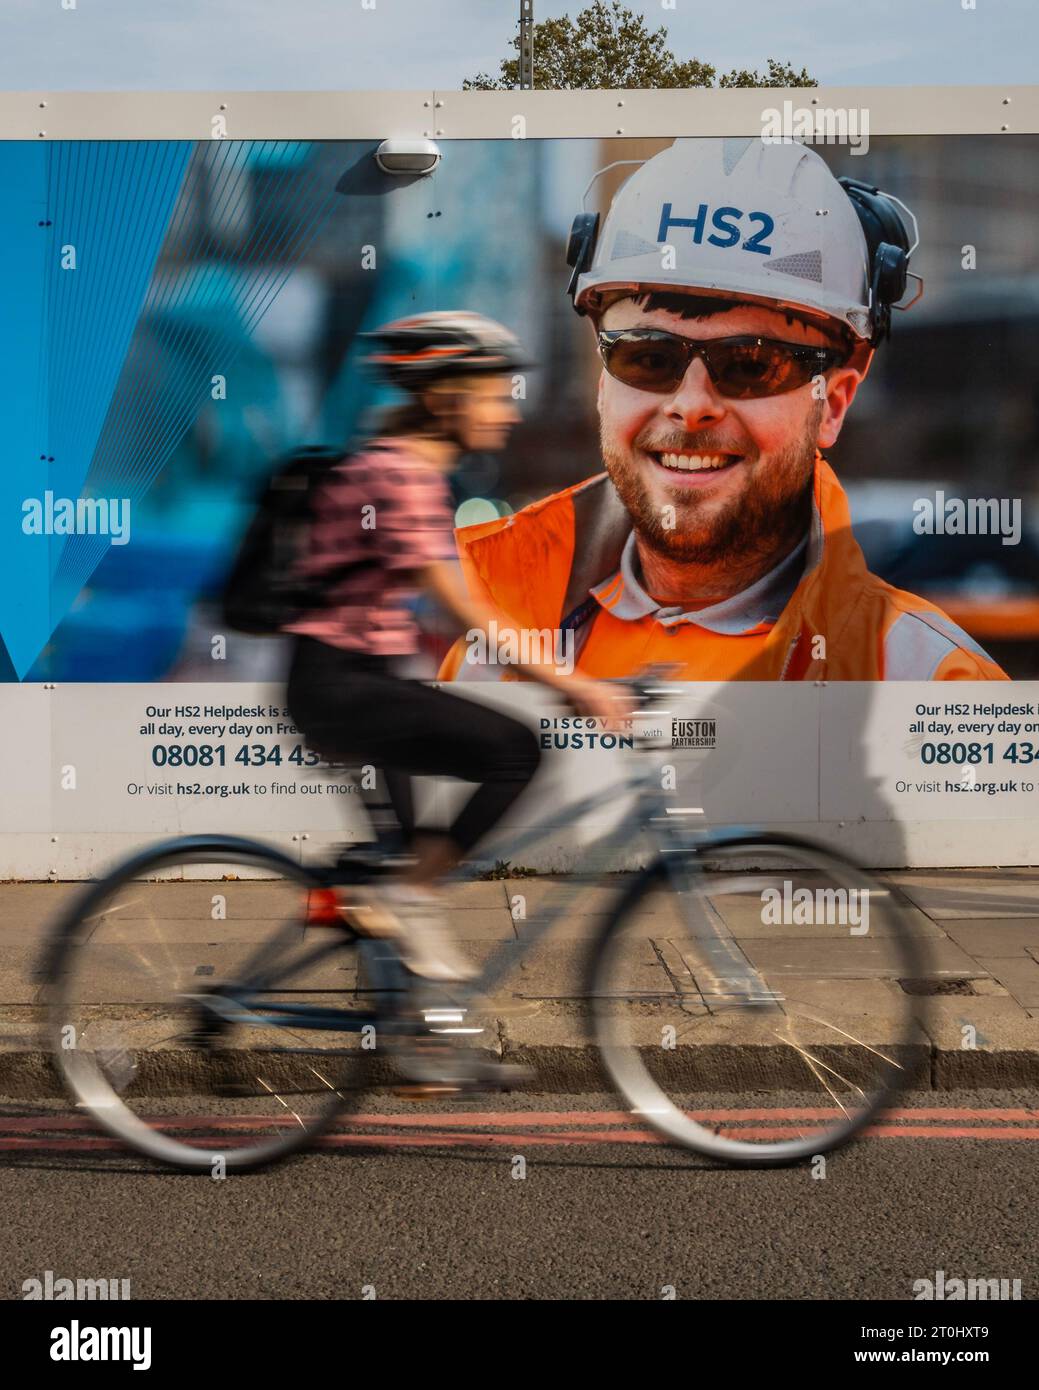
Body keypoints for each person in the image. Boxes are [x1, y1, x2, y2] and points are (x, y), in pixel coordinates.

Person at [438, 137, 1009, 683]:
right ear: (603, 382)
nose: (691, 406)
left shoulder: (928, 684)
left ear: (832, 404)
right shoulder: (493, 656)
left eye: (750, 365)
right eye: (648, 358)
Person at [284, 311, 617, 983]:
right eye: (495, 394)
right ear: (445, 399)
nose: (509, 413)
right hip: (345, 690)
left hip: (350, 685)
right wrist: (575, 684)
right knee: (513, 753)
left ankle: (407, 1036)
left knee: (405, 860)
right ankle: (402, 904)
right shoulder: (400, 476)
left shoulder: (396, 469)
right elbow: (468, 608)